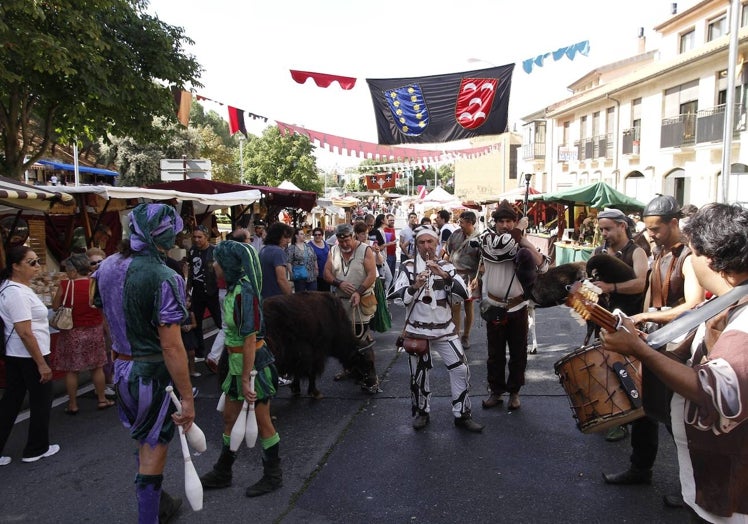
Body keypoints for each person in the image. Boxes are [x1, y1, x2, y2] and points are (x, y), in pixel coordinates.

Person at [600, 202, 748, 523]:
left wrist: (643, 352)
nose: (691, 262)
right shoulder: (731, 303)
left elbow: (715, 391)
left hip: (732, 496)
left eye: (694, 254)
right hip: (714, 480)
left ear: (713, 259)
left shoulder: (745, 317)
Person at [92, 203, 195, 523]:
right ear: (161, 235)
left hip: (121, 369)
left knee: (143, 439)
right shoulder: (165, 275)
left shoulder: (106, 266)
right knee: (154, 449)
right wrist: (188, 398)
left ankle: (160, 503)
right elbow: (173, 346)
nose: (177, 235)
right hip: (151, 375)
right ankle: (150, 513)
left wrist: (117, 355)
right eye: (173, 230)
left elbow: (105, 315)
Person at [602, 196, 705, 508]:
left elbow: (694, 305)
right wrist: (639, 326)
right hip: (657, 340)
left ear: (674, 223)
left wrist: (647, 317)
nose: (651, 234)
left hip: (680, 347)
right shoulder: (659, 252)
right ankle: (640, 468)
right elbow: (650, 295)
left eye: (657, 229)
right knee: (645, 409)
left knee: (680, 421)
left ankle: (696, 490)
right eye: (647, 229)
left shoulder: (690, 257)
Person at [199, 240, 283, 497]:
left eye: (218, 260)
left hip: (253, 365)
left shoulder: (244, 292)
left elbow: (249, 338)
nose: (214, 264)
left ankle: (273, 476)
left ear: (229, 264)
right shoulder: (236, 288)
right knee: (229, 418)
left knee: (262, 421)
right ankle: (223, 471)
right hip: (237, 364)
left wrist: (246, 378)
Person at [393, 225, 483, 432]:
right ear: (416, 245)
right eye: (422, 243)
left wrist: (444, 275)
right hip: (417, 330)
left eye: (430, 242)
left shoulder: (448, 268)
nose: (426, 247)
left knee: (460, 369)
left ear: (437, 244)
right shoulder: (408, 267)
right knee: (419, 374)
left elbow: (461, 296)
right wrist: (415, 286)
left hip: (445, 329)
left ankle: (462, 414)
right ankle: (422, 412)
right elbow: (398, 300)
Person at [478, 200, 549, 411]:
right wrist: (519, 232)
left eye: (510, 221)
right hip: (494, 306)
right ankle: (496, 392)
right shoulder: (487, 239)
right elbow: (501, 249)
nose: (506, 225)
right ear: (495, 223)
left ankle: (515, 392)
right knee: (495, 353)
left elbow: (544, 267)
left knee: (518, 353)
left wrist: (526, 243)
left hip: (518, 307)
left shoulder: (519, 240)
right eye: (501, 221)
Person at [591, 207, 649, 441]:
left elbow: (640, 284)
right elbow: (594, 281)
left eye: (608, 229)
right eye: (601, 229)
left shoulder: (637, 252)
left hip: (629, 319)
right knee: (605, 368)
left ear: (622, 226)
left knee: (627, 370)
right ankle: (614, 416)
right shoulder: (599, 250)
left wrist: (610, 287)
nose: (603, 233)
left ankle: (634, 416)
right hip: (603, 318)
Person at [0, 246, 59, 466]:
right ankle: (36, 448)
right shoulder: (15, 292)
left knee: (11, 401)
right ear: (15, 266)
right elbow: (25, 331)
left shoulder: (13, 288)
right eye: (31, 262)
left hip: (17, 354)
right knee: (41, 401)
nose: (37, 266)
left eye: (37, 261)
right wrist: (42, 363)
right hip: (28, 355)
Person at [51, 253, 113, 414]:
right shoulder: (95, 284)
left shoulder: (65, 285)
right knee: (97, 367)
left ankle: (73, 404)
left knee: (71, 370)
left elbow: (55, 306)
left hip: (72, 332)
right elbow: (102, 308)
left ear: (73, 271)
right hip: (94, 330)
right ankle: (102, 399)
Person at [324, 223, 378, 380]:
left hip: (361, 301)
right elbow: (326, 273)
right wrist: (338, 283)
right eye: (341, 242)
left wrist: (358, 292)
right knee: (344, 339)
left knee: (362, 339)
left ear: (353, 236)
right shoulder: (334, 250)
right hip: (341, 303)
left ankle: (369, 374)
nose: (344, 244)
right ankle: (349, 369)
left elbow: (371, 275)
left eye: (347, 240)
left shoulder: (365, 250)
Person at [443, 211, 481, 349]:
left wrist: (477, 278)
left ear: (470, 222)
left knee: (468, 306)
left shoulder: (480, 238)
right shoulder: (455, 234)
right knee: (455, 307)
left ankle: (466, 336)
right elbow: (447, 253)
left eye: (462, 222)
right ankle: (456, 337)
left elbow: (482, 263)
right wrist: (443, 270)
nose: (460, 224)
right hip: (455, 277)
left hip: (470, 278)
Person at [187, 225, 222, 360]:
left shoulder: (215, 251)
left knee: (220, 322)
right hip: (197, 291)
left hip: (213, 291)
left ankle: (224, 351)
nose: (196, 240)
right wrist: (188, 288)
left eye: (199, 237)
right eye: (194, 237)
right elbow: (191, 271)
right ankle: (199, 352)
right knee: (196, 322)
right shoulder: (192, 251)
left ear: (206, 237)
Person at [259, 222, 294, 298]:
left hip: (264, 296)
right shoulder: (278, 252)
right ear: (276, 236)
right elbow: (281, 279)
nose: (288, 241)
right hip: (276, 298)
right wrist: (291, 298)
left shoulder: (263, 250)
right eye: (285, 237)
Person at [287, 227, 318, 292]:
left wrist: (316, 269)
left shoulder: (308, 246)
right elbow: (289, 261)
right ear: (296, 236)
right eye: (301, 234)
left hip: (311, 276)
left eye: (303, 234)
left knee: (313, 295)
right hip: (299, 276)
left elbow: (314, 258)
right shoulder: (292, 248)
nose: (303, 235)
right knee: (300, 297)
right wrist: (291, 273)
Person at [309, 227, 330, 292]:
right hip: (316, 273)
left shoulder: (325, 243)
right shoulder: (309, 245)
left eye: (319, 234)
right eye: (315, 235)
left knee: (326, 292)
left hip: (327, 272)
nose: (317, 236)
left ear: (322, 235)